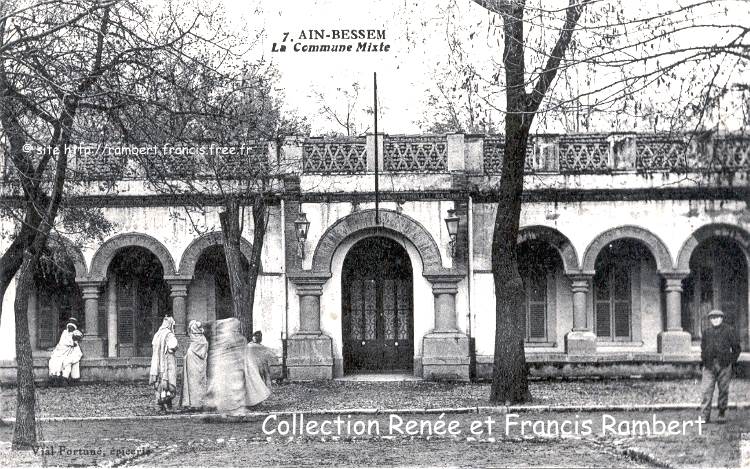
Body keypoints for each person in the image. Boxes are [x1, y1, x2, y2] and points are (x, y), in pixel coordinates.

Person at [204, 318, 270, 416]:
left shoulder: (234, 338)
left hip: (235, 366)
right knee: (230, 388)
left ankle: (236, 409)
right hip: (229, 367)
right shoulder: (230, 338)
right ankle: (230, 409)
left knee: (237, 387)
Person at [700, 309, 741, 423]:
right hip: (709, 365)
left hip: (724, 365)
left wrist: (730, 361)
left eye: (717, 317)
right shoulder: (706, 332)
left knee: (723, 390)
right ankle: (704, 416)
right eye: (712, 318)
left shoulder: (729, 331)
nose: (715, 320)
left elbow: (737, 348)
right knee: (706, 390)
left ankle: (721, 413)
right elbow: (703, 348)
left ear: (722, 318)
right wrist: (704, 359)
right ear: (710, 320)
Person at [149, 315, 179, 412]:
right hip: (167, 361)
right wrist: (172, 349)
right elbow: (173, 345)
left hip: (157, 362)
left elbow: (153, 346)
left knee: (160, 383)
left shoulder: (157, 334)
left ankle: (160, 405)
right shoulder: (169, 334)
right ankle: (167, 405)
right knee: (169, 382)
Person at [180, 320, 208, 409]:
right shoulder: (203, 340)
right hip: (198, 364)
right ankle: (199, 403)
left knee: (192, 383)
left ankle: (192, 403)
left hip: (192, 363)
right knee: (198, 382)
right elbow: (204, 353)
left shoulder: (193, 340)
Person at [48, 318, 84, 386]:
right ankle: (55, 377)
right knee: (54, 360)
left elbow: (77, 341)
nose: (70, 328)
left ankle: (66, 378)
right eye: (69, 327)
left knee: (68, 361)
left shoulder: (75, 333)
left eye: (72, 327)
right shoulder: (64, 333)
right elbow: (63, 342)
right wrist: (71, 343)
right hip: (62, 349)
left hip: (71, 351)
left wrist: (75, 340)